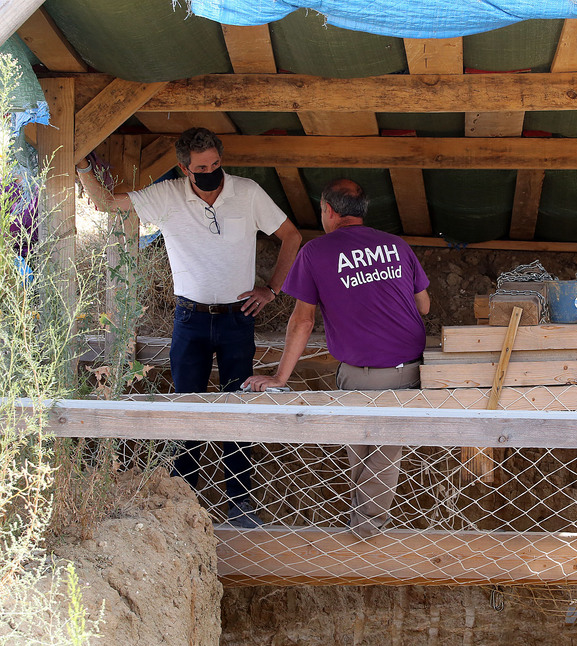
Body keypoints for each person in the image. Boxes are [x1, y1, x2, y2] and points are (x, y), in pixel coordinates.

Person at [76, 127, 302, 529]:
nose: (212, 172)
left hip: (238, 318)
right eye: (202, 167)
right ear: (184, 168)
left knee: (239, 407)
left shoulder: (247, 192)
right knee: (185, 410)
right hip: (190, 319)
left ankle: (241, 502)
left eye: (216, 164)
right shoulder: (167, 196)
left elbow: (291, 235)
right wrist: (79, 165)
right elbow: (106, 204)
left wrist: (272, 289)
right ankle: (182, 504)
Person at [243, 178, 430, 539]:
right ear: (362, 212)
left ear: (328, 211)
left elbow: (303, 320)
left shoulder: (317, 252)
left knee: (370, 451)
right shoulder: (396, 245)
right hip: (408, 368)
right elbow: (424, 304)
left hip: (359, 373)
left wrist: (280, 378)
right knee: (381, 450)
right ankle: (364, 526)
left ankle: (365, 532)